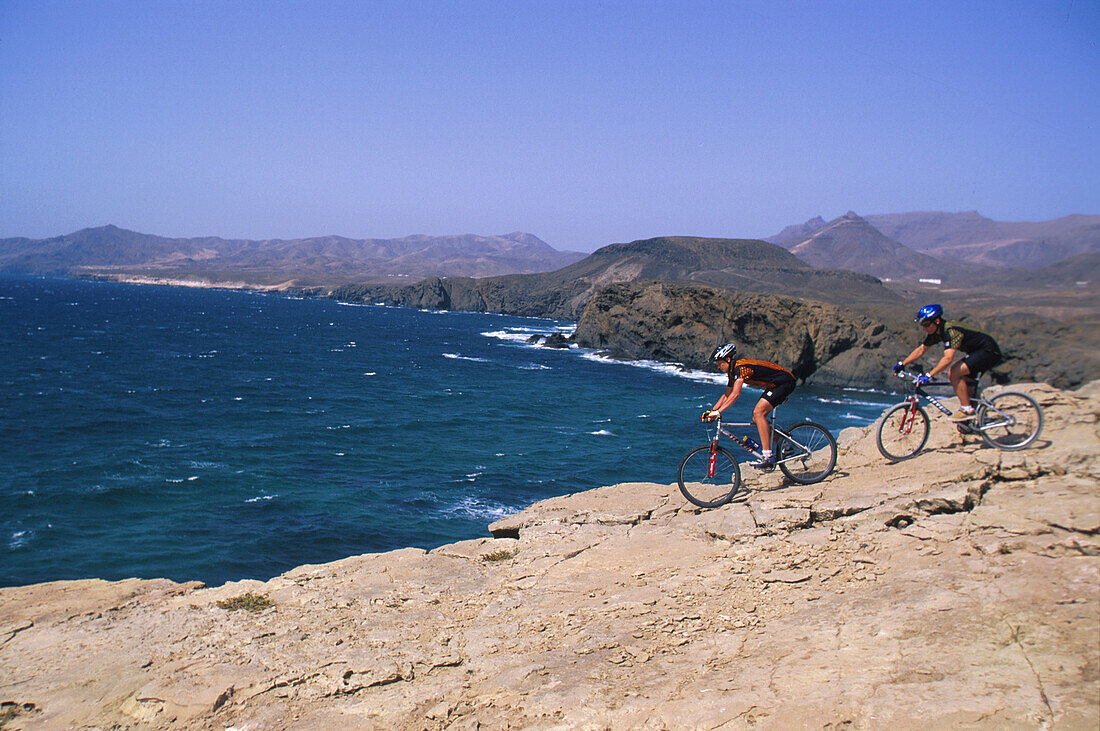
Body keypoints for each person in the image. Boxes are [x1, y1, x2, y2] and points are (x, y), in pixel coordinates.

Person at [895, 304, 1002, 421]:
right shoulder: (936, 332)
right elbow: (921, 349)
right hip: (977, 351)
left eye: (926, 324)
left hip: (988, 351)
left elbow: (948, 359)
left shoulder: (951, 331)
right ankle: (976, 419)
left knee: (954, 372)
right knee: (967, 384)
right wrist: (902, 364)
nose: (924, 328)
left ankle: (967, 410)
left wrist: (929, 375)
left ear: (937, 321)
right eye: (922, 325)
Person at [702, 343, 797, 469]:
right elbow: (727, 394)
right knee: (757, 418)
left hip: (784, 382)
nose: (718, 367)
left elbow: (735, 394)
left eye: (720, 363)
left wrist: (719, 412)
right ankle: (785, 444)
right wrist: (712, 411)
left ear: (728, 359)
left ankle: (768, 456)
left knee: (758, 413)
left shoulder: (740, 369)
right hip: (775, 385)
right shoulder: (732, 372)